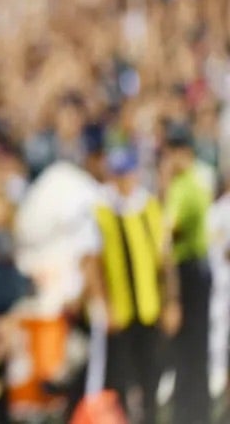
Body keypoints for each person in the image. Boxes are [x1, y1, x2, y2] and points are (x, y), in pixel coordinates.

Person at [88, 146, 180, 424]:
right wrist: (104, 304)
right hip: (121, 309)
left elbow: (165, 262)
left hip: (149, 306)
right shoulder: (103, 212)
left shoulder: (149, 208)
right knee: (121, 379)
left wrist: (171, 302)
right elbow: (95, 264)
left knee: (151, 374)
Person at [160, 122, 213, 424]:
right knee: (196, 349)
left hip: (188, 273)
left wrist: (172, 299)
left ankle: (189, 414)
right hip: (199, 271)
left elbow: (167, 235)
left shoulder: (183, 186)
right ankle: (197, 413)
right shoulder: (198, 180)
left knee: (187, 351)